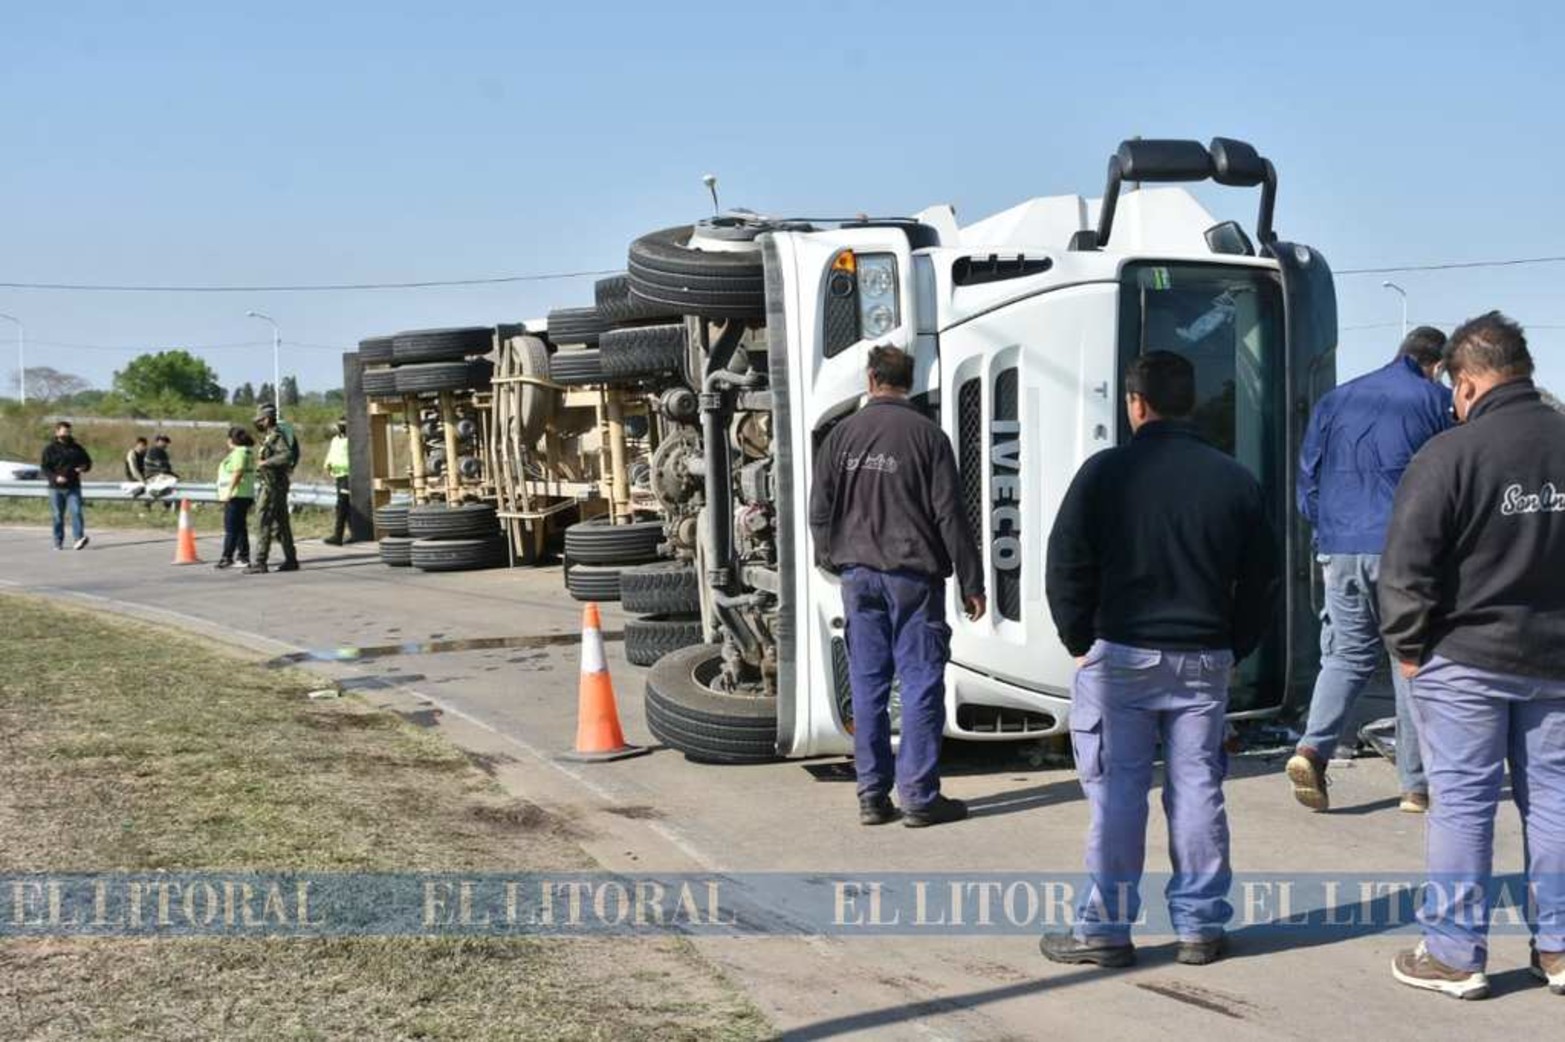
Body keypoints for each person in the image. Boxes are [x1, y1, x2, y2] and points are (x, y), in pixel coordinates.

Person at [1041, 351, 1280, 969]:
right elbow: (1263, 581)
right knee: (1198, 786)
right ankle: (1200, 927)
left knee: (1119, 792)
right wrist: (1236, 645)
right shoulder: (1233, 479)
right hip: (1203, 659)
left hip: (1120, 655)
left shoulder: (1105, 473)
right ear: (1190, 402)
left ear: (1136, 404)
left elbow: (1065, 562)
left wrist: (1078, 640)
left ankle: (1106, 930)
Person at [1379, 312, 1565, 1000]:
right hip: (1555, 662)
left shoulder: (1450, 454)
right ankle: (1558, 951)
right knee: (1555, 801)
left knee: (1462, 804)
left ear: (1465, 383)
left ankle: (1455, 954)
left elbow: (1404, 564)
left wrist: (1405, 645)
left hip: (1464, 660)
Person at [808, 344, 985, 829]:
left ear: (870, 379)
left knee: (868, 684)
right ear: (909, 381)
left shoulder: (839, 437)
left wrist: (831, 557)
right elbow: (951, 513)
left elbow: (818, 510)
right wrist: (972, 580)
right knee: (922, 682)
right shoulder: (929, 436)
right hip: (912, 578)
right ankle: (920, 797)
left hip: (857, 578)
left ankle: (871, 795)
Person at [1287, 327, 1452, 814]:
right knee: (1410, 658)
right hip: (1405, 550)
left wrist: (1328, 531)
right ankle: (1415, 785)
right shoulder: (1435, 401)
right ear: (1436, 364)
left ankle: (1312, 750)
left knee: (1345, 656)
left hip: (1340, 549)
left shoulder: (1337, 399)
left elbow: (1308, 476)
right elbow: (1453, 478)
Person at [246, 403, 299, 574]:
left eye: (260, 420)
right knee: (282, 523)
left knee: (263, 521)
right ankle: (291, 559)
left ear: (267, 419)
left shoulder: (276, 435)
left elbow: (287, 455)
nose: (258, 423)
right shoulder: (272, 435)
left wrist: (265, 463)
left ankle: (260, 561)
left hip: (272, 485)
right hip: (276, 484)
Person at [41, 421, 93, 550]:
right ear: (57, 432)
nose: (67, 434)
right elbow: (45, 468)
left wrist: (83, 468)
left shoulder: (77, 448)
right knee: (58, 515)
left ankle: (78, 539)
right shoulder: (50, 449)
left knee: (76, 512)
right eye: (64, 432)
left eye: (68, 432)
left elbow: (87, 462)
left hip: (73, 486)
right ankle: (58, 542)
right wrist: (55, 477)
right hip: (55, 488)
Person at [215, 427, 256, 570]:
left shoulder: (239, 453)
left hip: (236, 495)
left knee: (231, 528)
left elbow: (237, 473)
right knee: (240, 528)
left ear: (232, 440)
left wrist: (228, 492)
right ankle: (243, 557)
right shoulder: (246, 452)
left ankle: (227, 557)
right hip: (244, 494)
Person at [323, 418, 352, 545]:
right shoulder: (335, 440)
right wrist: (327, 465)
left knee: (342, 505)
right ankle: (351, 533)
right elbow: (331, 454)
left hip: (348, 475)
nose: (341, 427)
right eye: (339, 425)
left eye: (343, 425)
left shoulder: (351, 440)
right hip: (338, 476)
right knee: (342, 506)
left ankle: (338, 536)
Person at [143, 433, 178, 509]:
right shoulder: (154, 451)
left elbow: (167, 468)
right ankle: (166, 504)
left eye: (166, 442)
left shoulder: (163, 453)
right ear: (157, 441)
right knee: (171, 483)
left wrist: (172, 474)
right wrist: (172, 475)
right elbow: (161, 467)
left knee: (171, 483)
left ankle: (167, 504)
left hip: (160, 475)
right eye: (162, 441)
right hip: (152, 475)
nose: (165, 443)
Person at [124, 436, 149, 505]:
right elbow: (133, 470)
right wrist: (142, 480)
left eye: (144, 445)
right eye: (142, 445)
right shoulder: (132, 454)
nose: (143, 447)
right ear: (137, 444)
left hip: (143, 478)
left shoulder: (145, 454)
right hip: (133, 479)